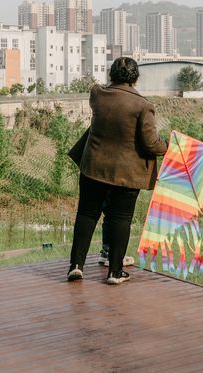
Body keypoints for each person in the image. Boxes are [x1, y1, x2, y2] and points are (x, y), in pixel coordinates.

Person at [67, 57, 168, 285]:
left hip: (94, 167)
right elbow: (151, 144)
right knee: (121, 218)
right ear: (136, 78)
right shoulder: (143, 106)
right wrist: (169, 146)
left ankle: (76, 265)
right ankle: (115, 272)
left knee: (87, 213)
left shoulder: (97, 94)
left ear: (111, 74)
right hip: (126, 173)